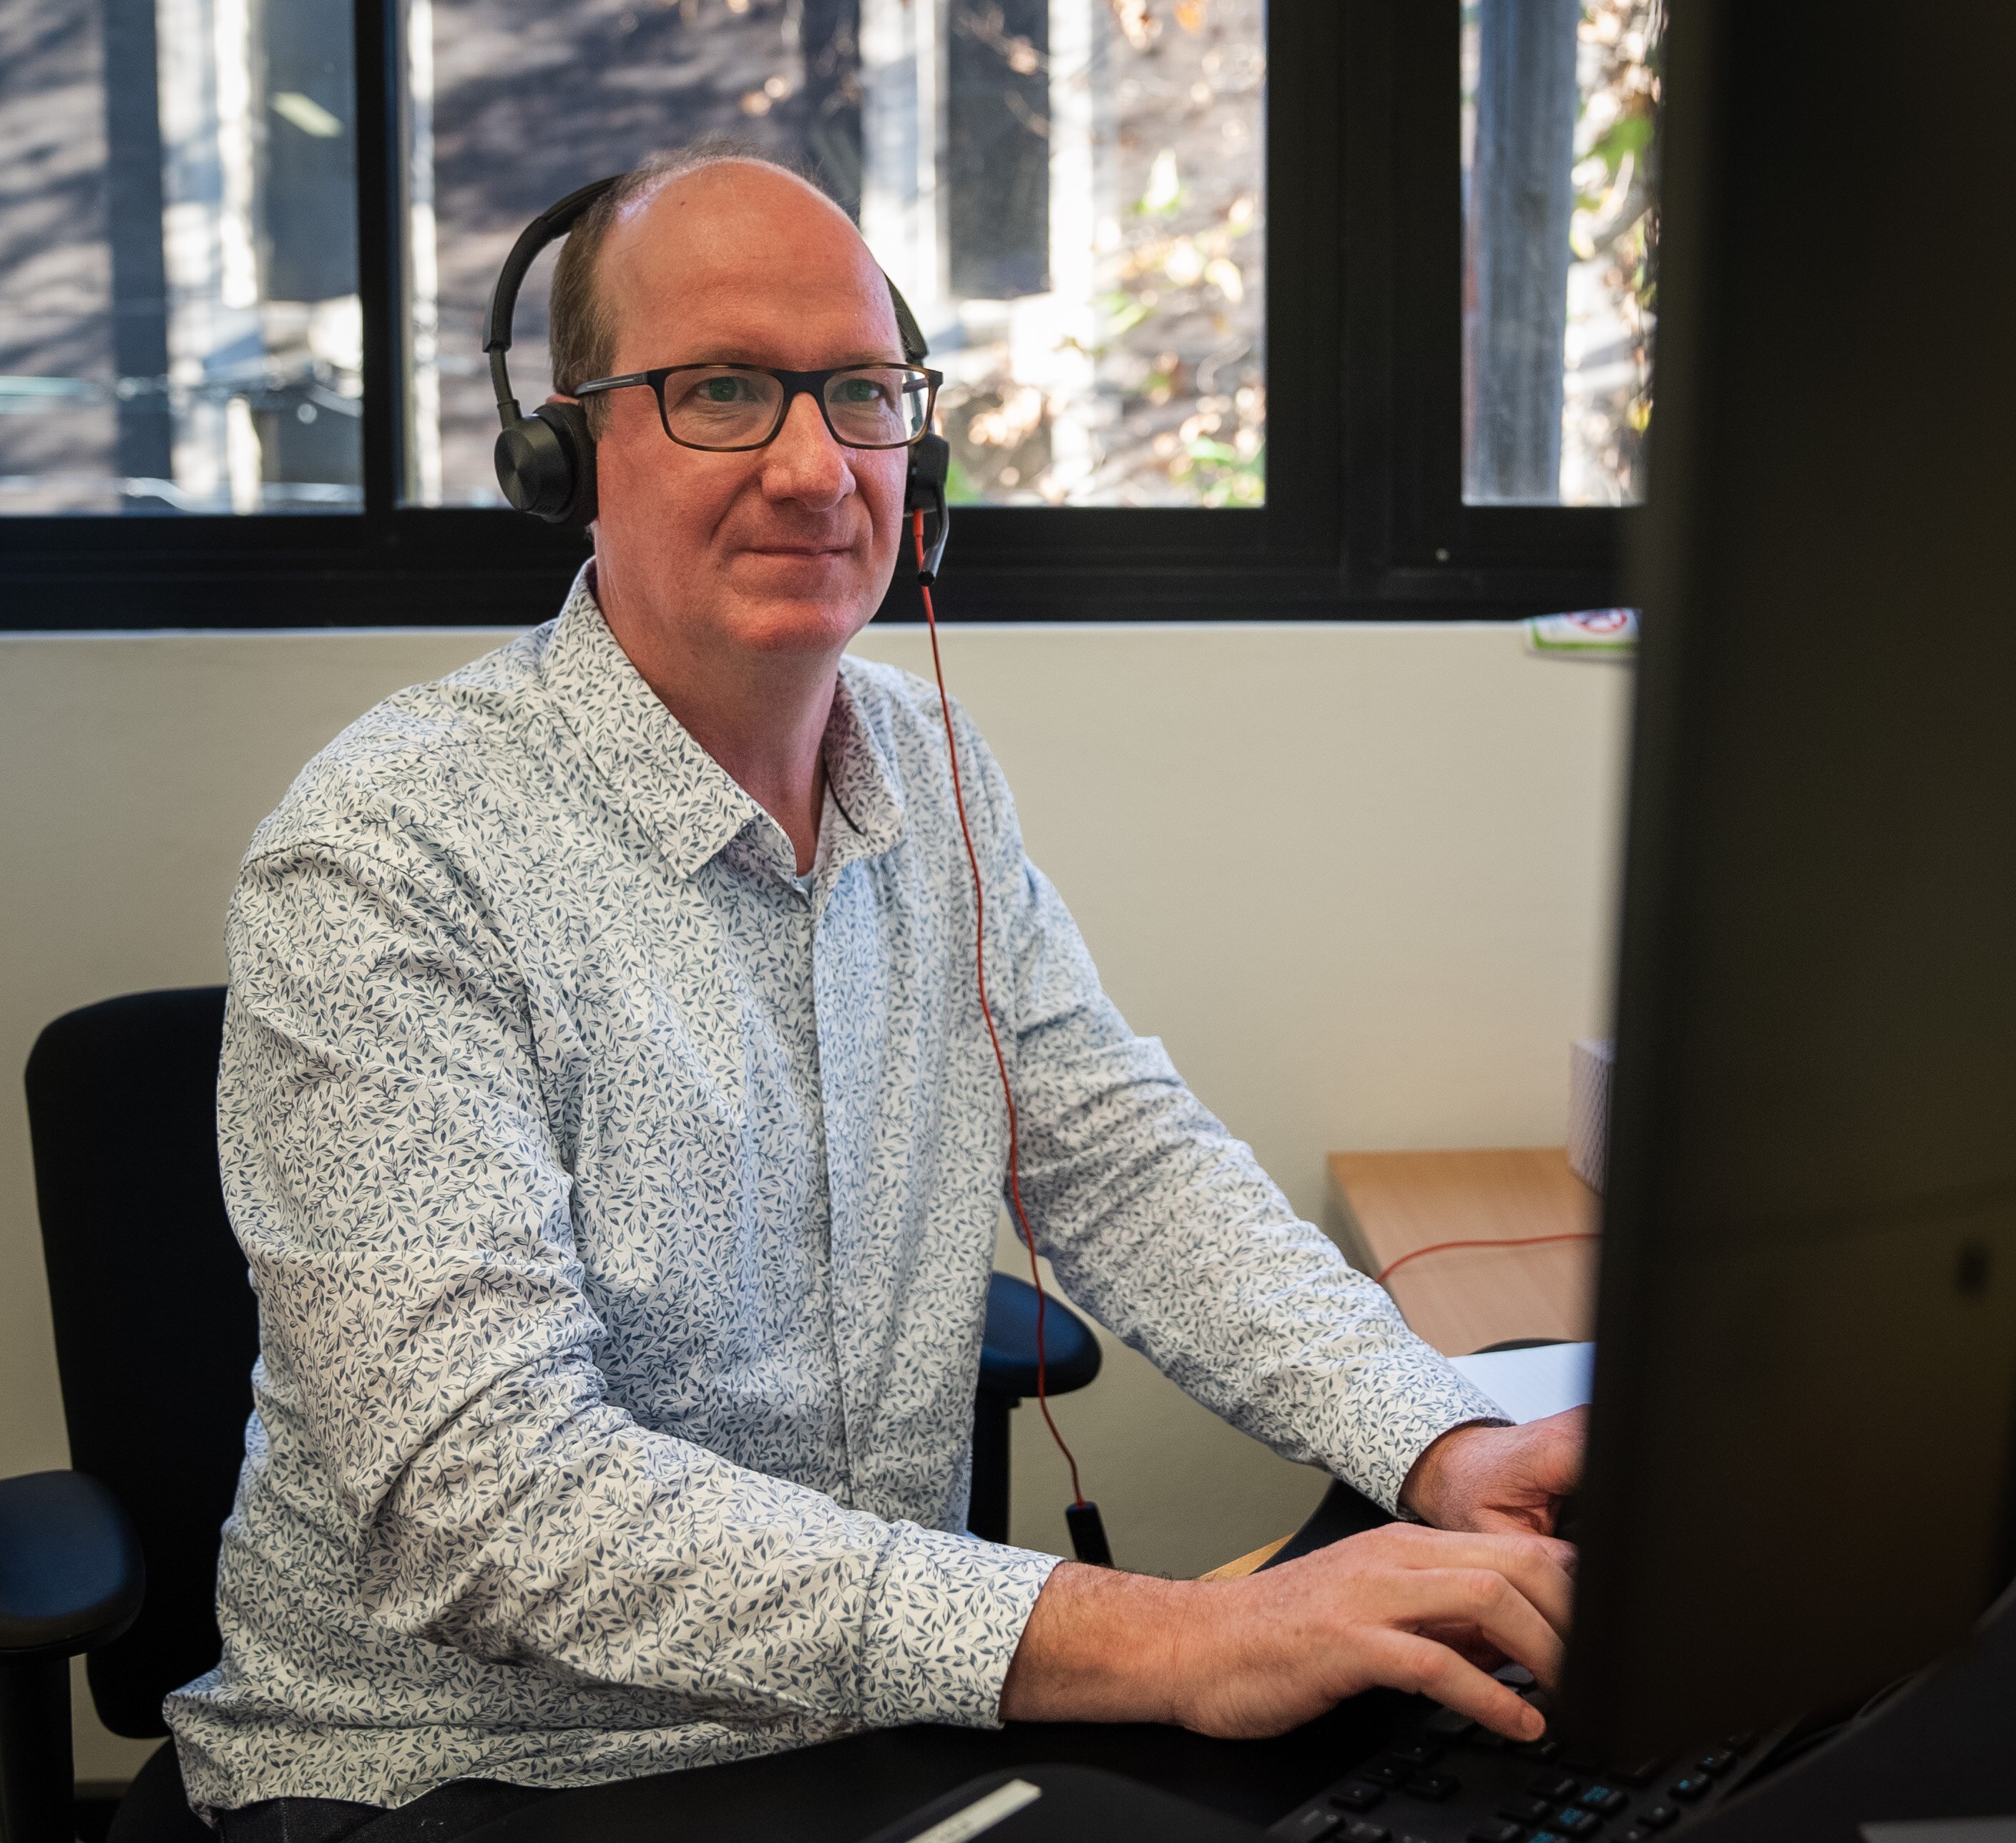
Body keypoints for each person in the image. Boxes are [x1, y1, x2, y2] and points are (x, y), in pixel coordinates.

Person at [167, 142, 1586, 1833]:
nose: (809, 466)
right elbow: (494, 1499)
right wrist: (1177, 1635)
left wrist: (1440, 1442)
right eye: (718, 393)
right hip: (465, 1771)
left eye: (857, 394)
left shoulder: (930, 773)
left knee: (1453, 1744)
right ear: (563, 449)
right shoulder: (389, 853)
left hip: (867, 1715)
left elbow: (1117, 1166)